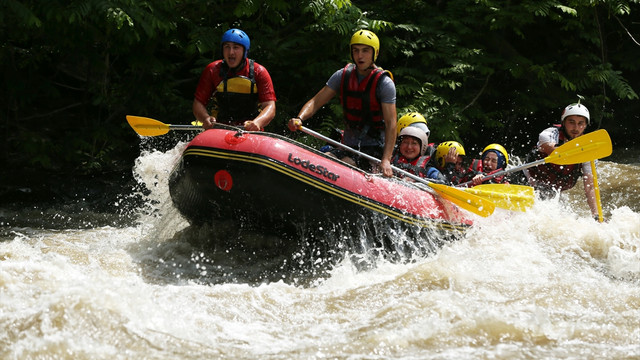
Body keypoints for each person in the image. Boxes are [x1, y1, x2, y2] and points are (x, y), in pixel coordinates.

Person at [287, 30, 397, 177]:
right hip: (348, 145)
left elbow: (391, 124)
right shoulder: (342, 75)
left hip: (374, 149)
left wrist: (386, 159)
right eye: (356, 51)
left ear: (374, 53)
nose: (360, 56)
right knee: (326, 158)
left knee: (344, 163)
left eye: (365, 51)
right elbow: (315, 102)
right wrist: (299, 118)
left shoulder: (384, 83)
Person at [522, 102, 599, 218]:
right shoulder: (549, 134)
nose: (576, 128)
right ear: (563, 122)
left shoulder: (588, 150)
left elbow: (590, 187)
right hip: (526, 179)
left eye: (580, 123)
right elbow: (555, 152)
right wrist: (580, 150)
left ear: (585, 126)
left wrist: (596, 215)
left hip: (550, 190)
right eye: (571, 122)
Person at [193, 28, 276, 131]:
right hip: (219, 128)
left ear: (244, 51)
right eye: (227, 47)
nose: (231, 52)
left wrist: (258, 122)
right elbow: (198, 103)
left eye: (236, 47)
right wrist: (205, 118)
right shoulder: (212, 70)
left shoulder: (259, 72)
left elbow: (270, 106)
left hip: (250, 130)